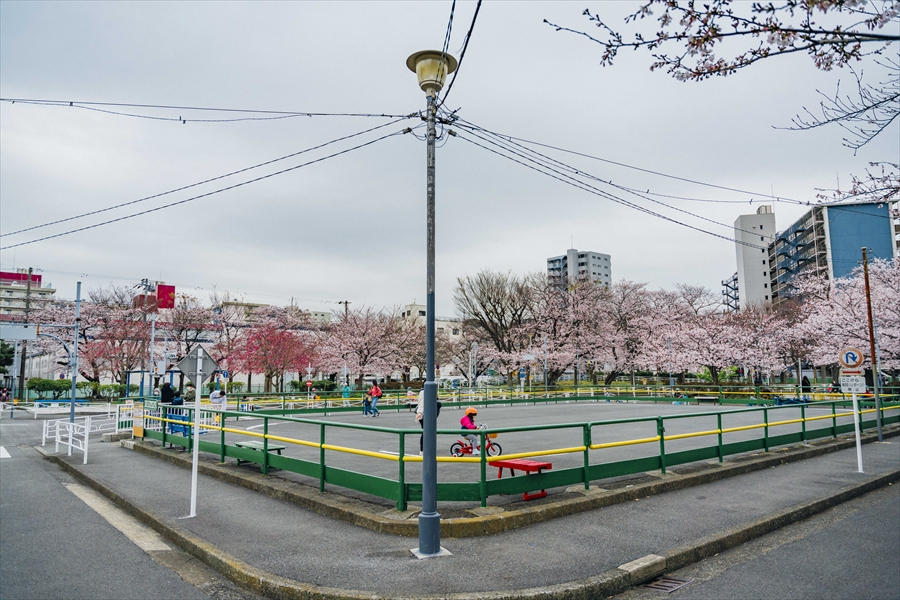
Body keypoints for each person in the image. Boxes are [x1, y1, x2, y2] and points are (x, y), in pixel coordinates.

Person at [414, 390, 441, 455]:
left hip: (429, 415)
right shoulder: (424, 392)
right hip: (424, 415)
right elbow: (421, 403)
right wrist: (419, 412)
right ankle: (422, 450)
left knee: (428, 432)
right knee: (426, 432)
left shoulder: (431, 390)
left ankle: (427, 448)